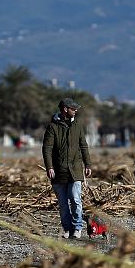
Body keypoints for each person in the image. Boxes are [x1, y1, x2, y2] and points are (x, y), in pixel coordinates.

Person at [43, 98, 92, 239]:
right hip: (58, 171)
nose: (75, 111)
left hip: (75, 169)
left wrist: (88, 164)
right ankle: (67, 228)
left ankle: (77, 227)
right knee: (63, 203)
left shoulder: (77, 125)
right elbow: (47, 149)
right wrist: (49, 167)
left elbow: (83, 145)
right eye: (73, 108)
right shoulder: (52, 127)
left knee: (75, 199)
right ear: (65, 109)